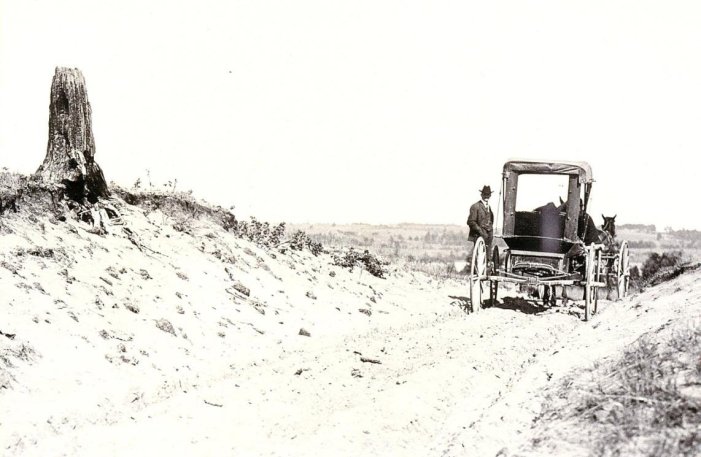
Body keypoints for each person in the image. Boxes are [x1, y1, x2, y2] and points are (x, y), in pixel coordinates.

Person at [466, 185, 495, 260]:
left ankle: (488, 267)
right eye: (485, 194)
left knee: (488, 257)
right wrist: (480, 231)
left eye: (488, 195)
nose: (486, 196)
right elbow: (471, 221)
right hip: (479, 235)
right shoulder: (475, 206)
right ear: (481, 195)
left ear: (490, 195)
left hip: (489, 236)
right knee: (479, 257)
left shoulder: (489, 207)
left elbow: (491, 220)